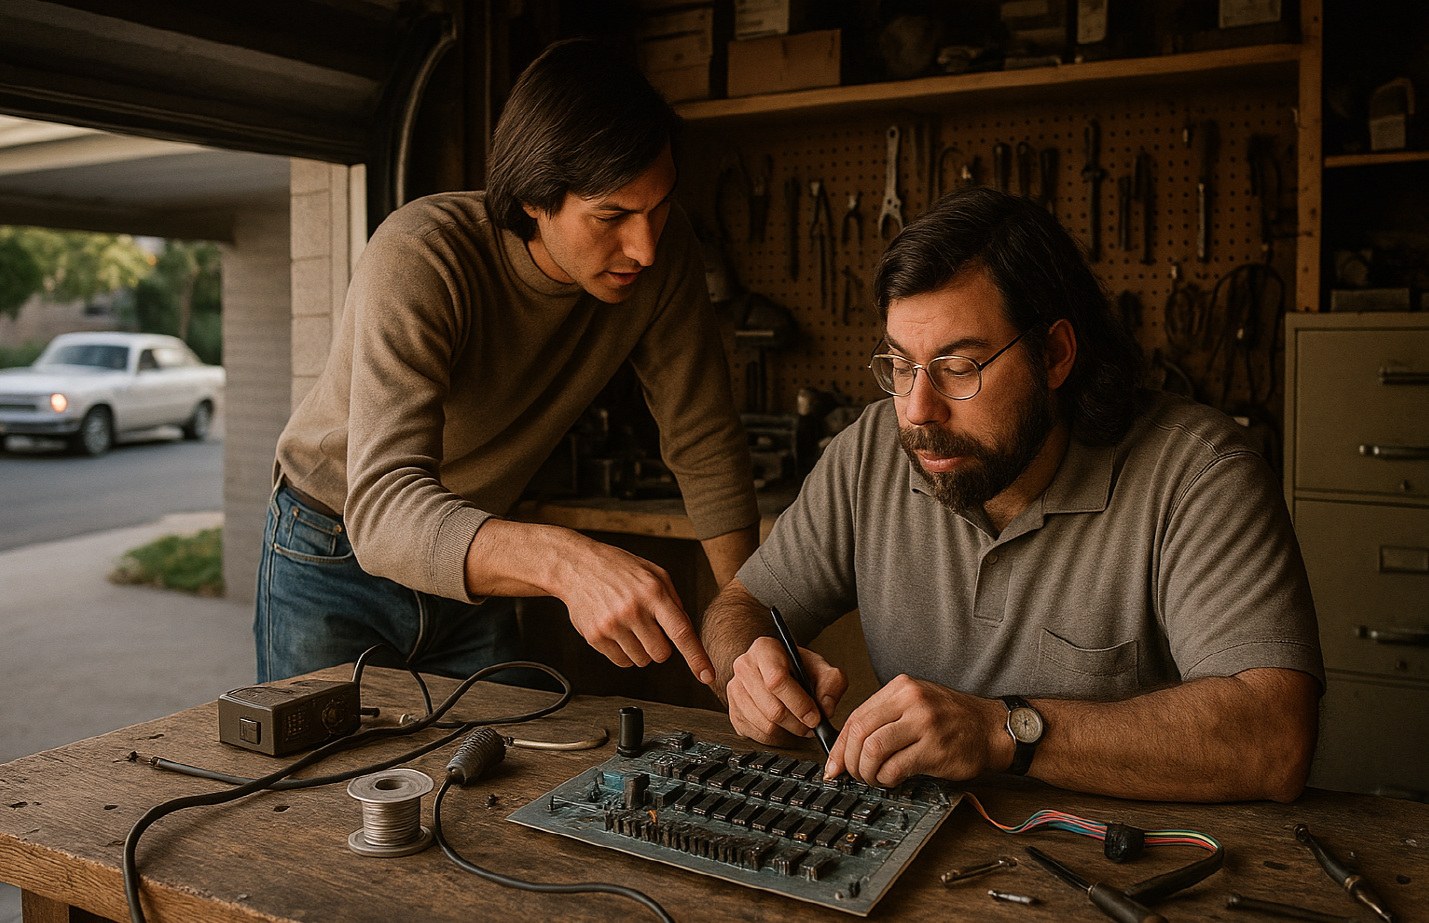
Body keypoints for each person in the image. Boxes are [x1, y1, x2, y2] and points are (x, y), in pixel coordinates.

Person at [701, 186, 1323, 804]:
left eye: (958, 366)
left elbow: (1274, 740)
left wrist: (1005, 731)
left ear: (1053, 355)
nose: (918, 409)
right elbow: (739, 607)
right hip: (919, 854)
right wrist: (750, 669)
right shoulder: (871, 450)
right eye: (900, 364)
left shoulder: (1199, 475)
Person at [256, 38, 759, 685]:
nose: (644, 247)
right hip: (333, 549)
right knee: (322, 783)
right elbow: (381, 513)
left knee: (511, 776)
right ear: (532, 196)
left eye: (657, 208)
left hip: (472, 555)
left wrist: (746, 623)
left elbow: (704, 441)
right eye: (611, 215)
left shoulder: (667, 255)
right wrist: (566, 562)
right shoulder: (421, 255)